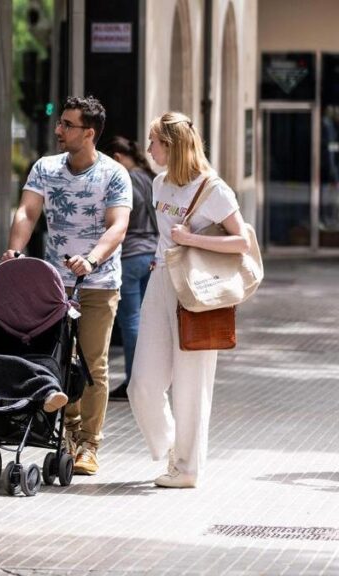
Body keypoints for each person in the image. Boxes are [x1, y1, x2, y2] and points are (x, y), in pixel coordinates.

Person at [0, 96, 132, 475]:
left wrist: (90, 259)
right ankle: (68, 434)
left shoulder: (113, 174)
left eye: (67, 125)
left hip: (99, 283)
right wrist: (14, 250)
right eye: (59, 123)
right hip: (54, 285)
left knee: (93, 364)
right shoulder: (45, 168)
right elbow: (27, 210)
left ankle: (90, 444)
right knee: (58, 360)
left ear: (88, 133)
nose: (59, 130)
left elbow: (117, 226)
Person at [129, 112, 251, 489]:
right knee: (142, 385)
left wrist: (192, 240)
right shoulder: (160, 184)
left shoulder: (214, 189)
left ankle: (187, 468)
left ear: (172, 146)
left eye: (154, 142)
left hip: (197, 291)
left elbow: (243, 241)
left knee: (190, 384)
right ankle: (169, 447)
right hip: (161, 280)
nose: (148, 149)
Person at [104, 136, 158, 400]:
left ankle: (133, 384)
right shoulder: (150, 178)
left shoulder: (126, 179)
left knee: (131, 322)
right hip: (152, 254)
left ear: (117, 158)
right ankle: (151, 382)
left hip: (131, 258)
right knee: (149, 322)